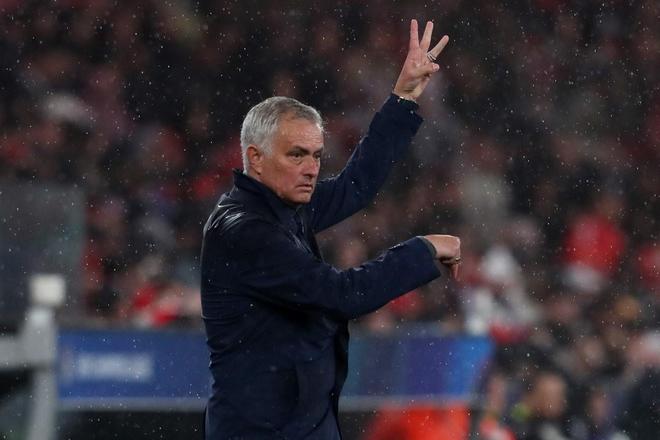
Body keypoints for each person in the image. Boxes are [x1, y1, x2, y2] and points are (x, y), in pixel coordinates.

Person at [200, 19, 460, 439]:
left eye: (317, 155)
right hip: (260, 431)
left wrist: (403, 97)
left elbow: (356, 186)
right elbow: (341, 295)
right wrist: (422, 251)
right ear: (256, 158)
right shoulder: (244, 230)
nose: (311, 168)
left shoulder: (285, 205)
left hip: (304, 421)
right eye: (297, 154)